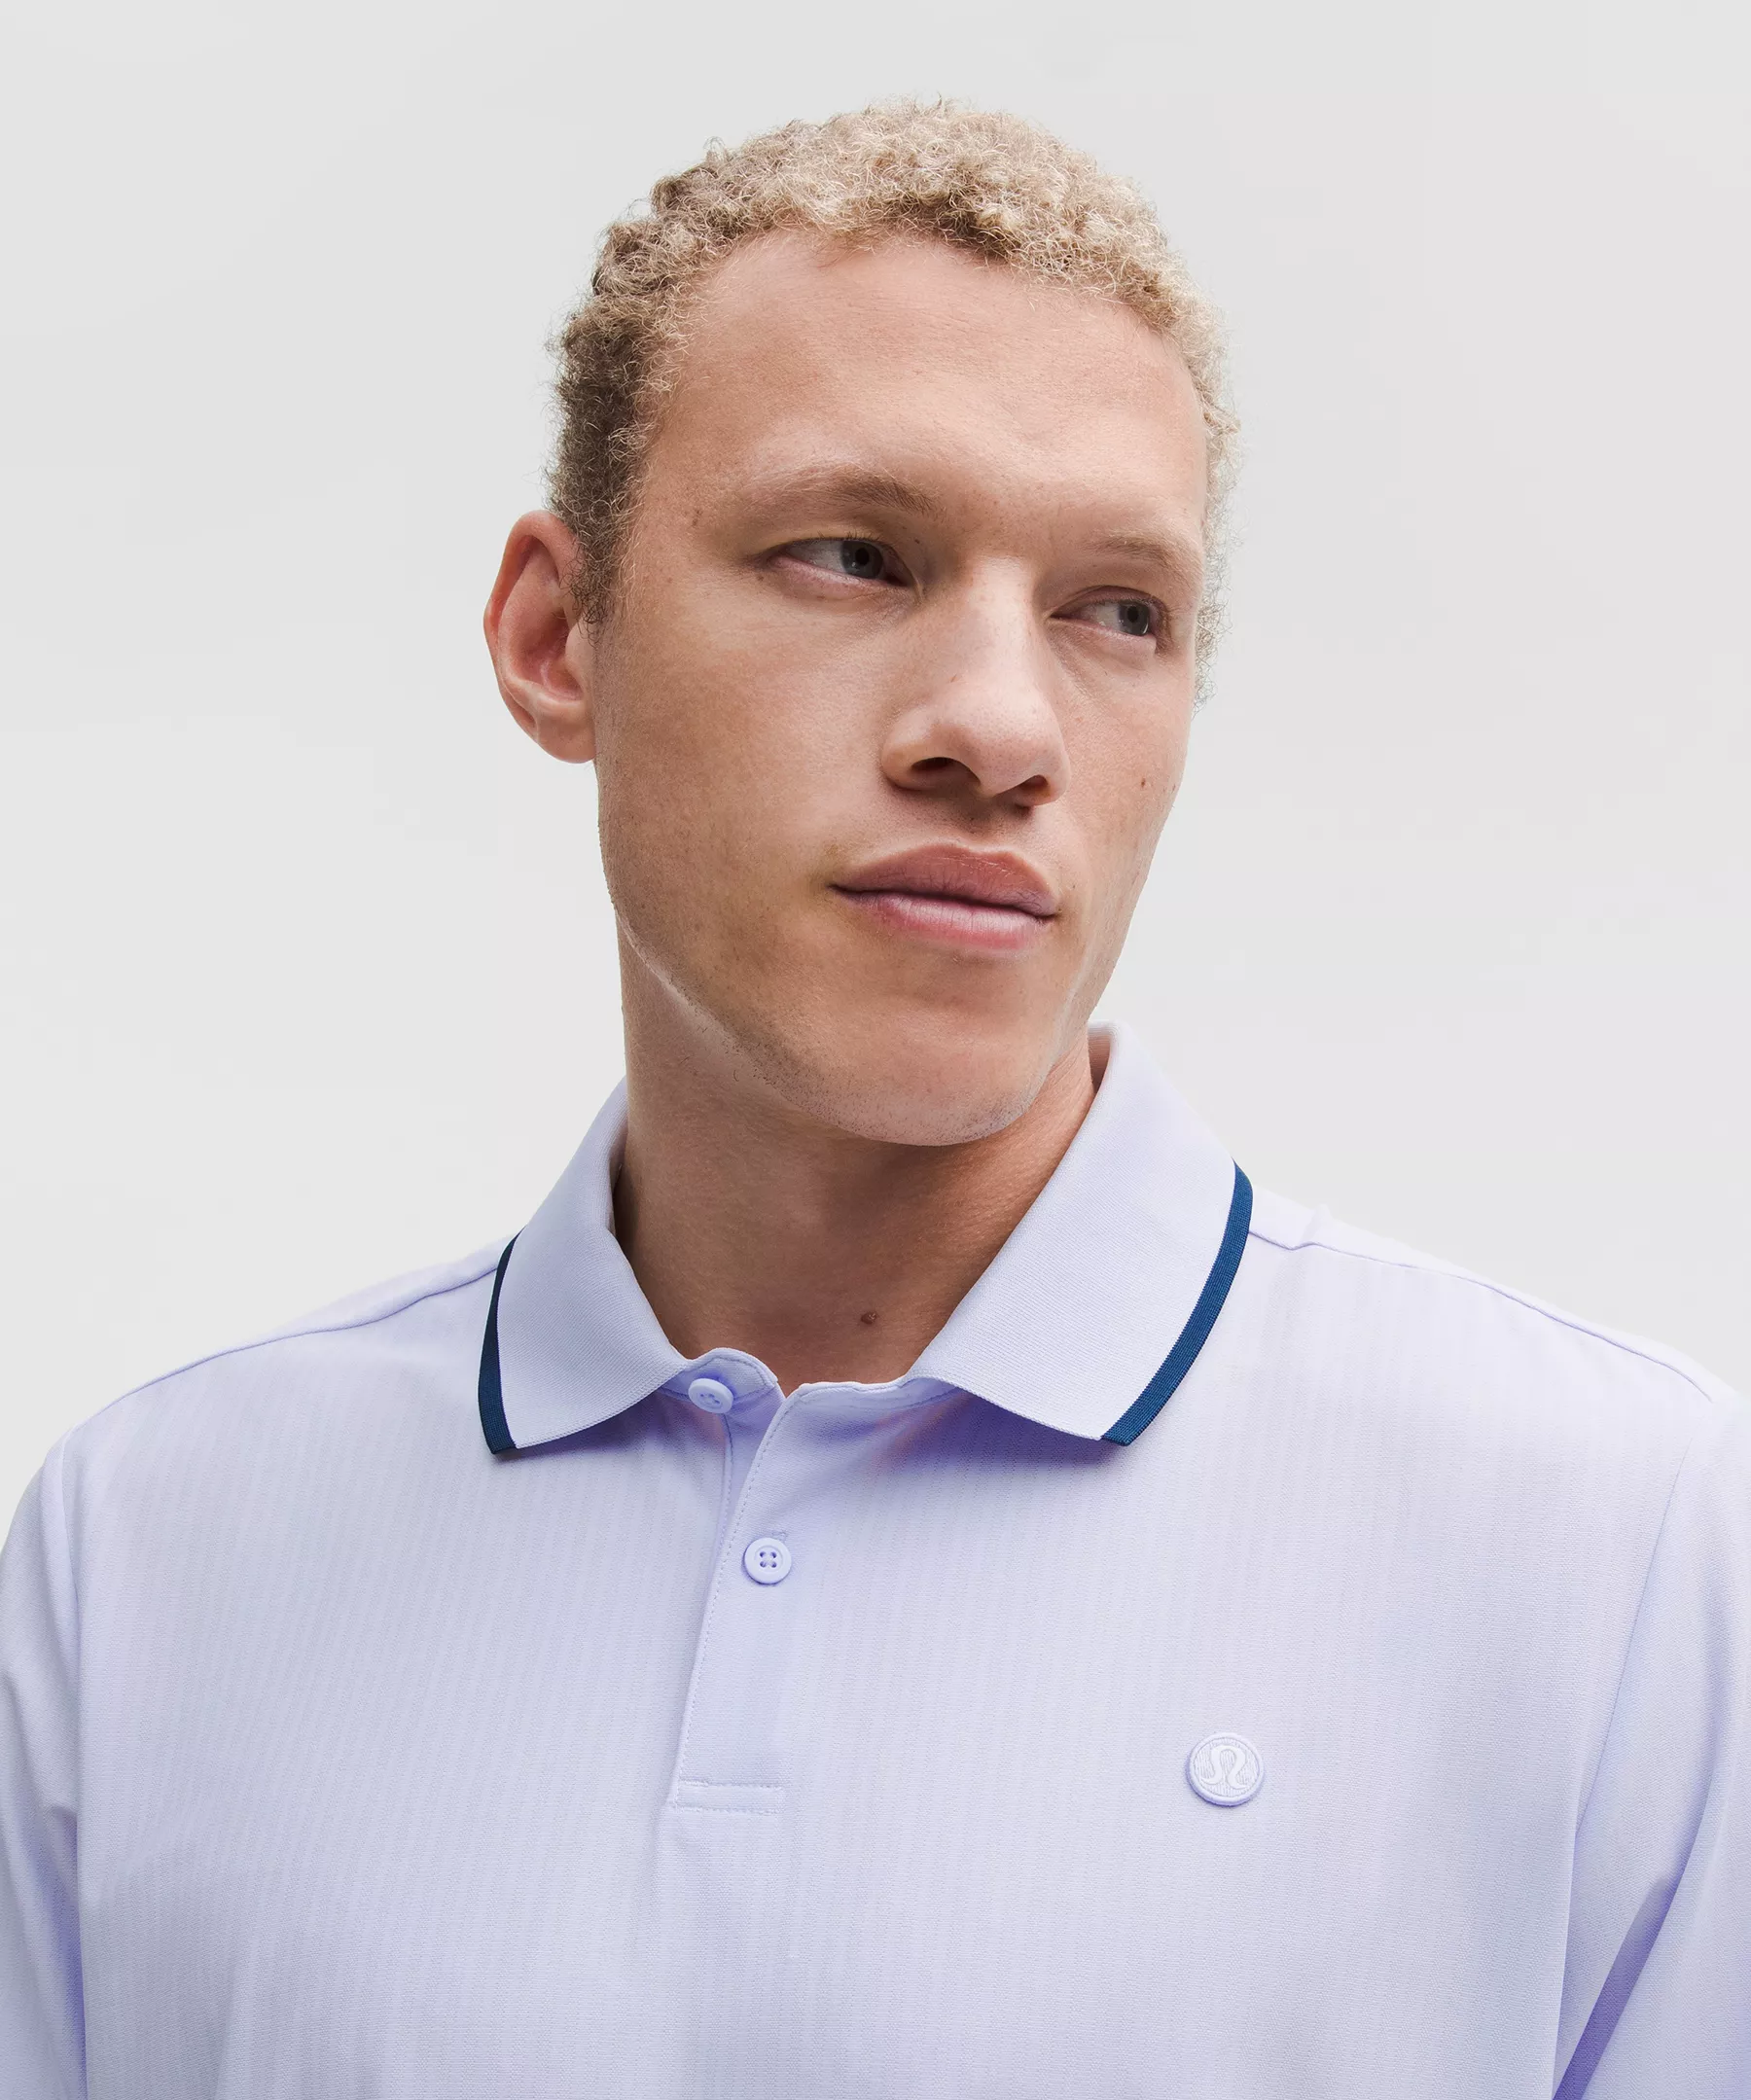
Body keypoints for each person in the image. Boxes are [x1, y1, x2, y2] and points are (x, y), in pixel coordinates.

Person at [1, 100, 1745, 2100]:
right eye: (852, 554)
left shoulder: (1619, 1546)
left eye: (1118, 609)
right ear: (558, 638)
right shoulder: (147, 1548)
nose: (999, 728)